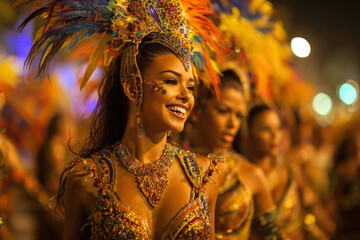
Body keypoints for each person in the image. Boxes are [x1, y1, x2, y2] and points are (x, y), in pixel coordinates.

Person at [18, 0, 225, 239]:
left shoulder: (204, 176)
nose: (186, 95)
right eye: (170, 81)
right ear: (133, 88)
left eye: (189, 86)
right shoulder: (89, 180)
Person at [187, 70, 282, 239]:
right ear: (197, 110)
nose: (232, 124)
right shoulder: (173, 166)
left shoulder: (251, 175)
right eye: (223, 111)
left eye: (238, 116)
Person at [246, 104, 304, 239]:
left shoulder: (287, 173)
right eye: (266, 128)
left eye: (278, 128)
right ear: (247, 134)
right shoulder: (241, 176)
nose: (275, 135)